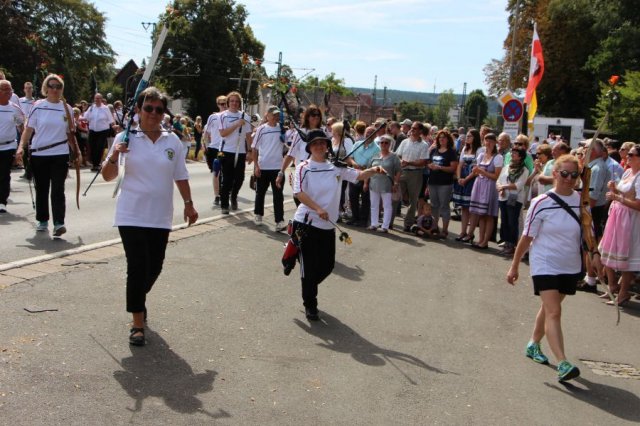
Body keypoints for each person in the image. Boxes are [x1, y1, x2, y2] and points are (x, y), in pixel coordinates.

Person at [101, 87, 198, 346]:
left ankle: (137, 300)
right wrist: (116, 155)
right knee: (137, 266)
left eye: (159, 109)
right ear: (138, 110)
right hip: (131, 214)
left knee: (154, 267)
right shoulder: (125, 137)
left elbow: (181, 175)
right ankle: (137, 324)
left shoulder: (172, 141)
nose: (153, 113)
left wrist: (189, 204)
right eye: (148, 108)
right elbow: (107, 176)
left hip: (160, 216)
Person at [507, 154, 593, 382]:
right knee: (554, 311)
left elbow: (587, 232)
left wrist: (593, 256)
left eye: (574, 174)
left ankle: (533, 344)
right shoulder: (541, 202)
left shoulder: (582, 201)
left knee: (548, 308)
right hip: (545, 262)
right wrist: (514, 266)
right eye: (564, 173)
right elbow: (527, 237)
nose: (569, 178)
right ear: (555, 174)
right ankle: (563, 363)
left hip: (570, 264)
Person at [292, 129, 387, 321]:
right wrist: (318, 208)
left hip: (328, 226)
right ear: (309, 148)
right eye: (315, 144)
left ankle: (307, 282)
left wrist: (374, 170)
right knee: (309, 268)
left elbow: (358, 175)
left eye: (322, 143)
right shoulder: (304, 167)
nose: (319, 146)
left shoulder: (336, 167)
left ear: (327, 146)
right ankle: (310, 304)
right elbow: (299, 193)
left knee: (327, 266)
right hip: (307, 223)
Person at [16, 74, 80, 237]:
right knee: (42, 188)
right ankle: (42, 220)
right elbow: (28, 130)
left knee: (58, 189)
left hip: (60, 153)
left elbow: (70, 133)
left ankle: (59, 223)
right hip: (40, 153)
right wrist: (21, 147)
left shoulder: (67, 108)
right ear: (46, 88)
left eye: (58, 87)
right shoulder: (38, 106)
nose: (55, 89)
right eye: (51, 86)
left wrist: (77, 151)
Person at [599, 144, 640, 306]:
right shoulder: (628, 172)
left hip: (630, 219)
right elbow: (623, 193)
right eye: (628, 154)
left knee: (626, 256)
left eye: (632, 155)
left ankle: (623, 293)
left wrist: (617, 197)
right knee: (606, 250)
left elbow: (638, 204)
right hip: (618, 215)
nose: (628, 157)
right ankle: (612, 286)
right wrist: (614, 188)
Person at [276, 105, 324, 204]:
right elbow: (291, 154)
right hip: (303, 174)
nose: (316, 117)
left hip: (318, 174)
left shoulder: (322, 133)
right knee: (300, 200)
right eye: (313, 115)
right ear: (307, 117)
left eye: (318, 115)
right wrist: (281, 172)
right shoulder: (300, 133)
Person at [251, 106, 286, 231]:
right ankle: (258, 214)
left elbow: (287, 145)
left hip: (277, 167)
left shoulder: (281, 129)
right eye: (274, 114)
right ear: (267, 115)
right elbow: (254, 148)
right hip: (263, 167)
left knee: (278, 195)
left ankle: (279, 221)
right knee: (260, 192)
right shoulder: (261, 129)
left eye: (277, 115)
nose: (276, 117)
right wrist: (256, 166)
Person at [218, 91, 253, 214]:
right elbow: (223, 133)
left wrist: (250, 151)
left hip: (240, 152)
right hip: (226, 151)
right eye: (232, 101)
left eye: (237, 101)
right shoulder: (222, 116)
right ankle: (224, 205)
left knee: (239, 178)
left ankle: (234, 195)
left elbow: (248, 135)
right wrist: (237, 124)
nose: (234, 103)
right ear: (228, 102)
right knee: (226, 179)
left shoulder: (245, 116)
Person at [467, 133, 503, 249]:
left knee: (489, 215)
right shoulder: (481, 155)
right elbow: (476, 171)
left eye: (490, 141)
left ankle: (485, 241)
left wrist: (482, 172)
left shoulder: (498, 157)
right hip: (479, 185)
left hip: (490, 187)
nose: (488, 143)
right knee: (481, 215)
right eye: (486, 141)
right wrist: (474, 171)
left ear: (495, 143)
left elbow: (496, 176)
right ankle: (480, 240)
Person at [395, 121, 430, 231]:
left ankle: (408, 223)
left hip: (416, 173)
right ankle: (389, 222)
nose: (412, 130)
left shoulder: (424, 145)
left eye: (415, 128)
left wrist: (409, 163)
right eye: (412, 128)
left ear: (420, 131)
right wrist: (401, 161)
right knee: (396, 196)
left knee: (413, 200)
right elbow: (397, 155)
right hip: (402, 171)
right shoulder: (405, 142)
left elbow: (423, 162)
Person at [496, 148, 530, 256]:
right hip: (503, 197)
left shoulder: (524, 170)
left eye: (515, 153)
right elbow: (499, 180)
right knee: (504, 221)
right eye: (512, 153)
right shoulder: (506, 167)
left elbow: (518, 185)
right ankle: (506, 243)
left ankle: (512, 245)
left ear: (520, 157)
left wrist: (503, 187)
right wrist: (500, 188)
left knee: (512, 222)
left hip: (515, 198)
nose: (512, 155)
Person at [347, 122, 380, 227]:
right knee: (353, 196)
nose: (368, 134)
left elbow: (374, 163)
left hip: (367, 176)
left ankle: (363, 220)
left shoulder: (377, 148)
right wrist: (354, 164)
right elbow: (350, 157)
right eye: (367, 132)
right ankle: (354, 217)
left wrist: (365, 167)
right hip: (354, 174)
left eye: (371, 132)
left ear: (375, 135)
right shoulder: (357, 144)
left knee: (365, 198)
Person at [427, 129, 459, 238]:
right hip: (432, 181)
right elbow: (428, 162)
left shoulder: (451, 152)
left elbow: (453, 168)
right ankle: (435, 227)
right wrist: (430, 166)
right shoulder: (433, 150)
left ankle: (444, 230)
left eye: (444, 137)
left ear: (448, 139)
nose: (441, 139)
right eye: (440, 138)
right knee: (434, 206)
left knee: (444, 206)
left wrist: (440, 167)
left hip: (445, 183)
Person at [365, 134, 400, 232]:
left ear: (390, 144)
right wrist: (365, 183)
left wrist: (396, 183)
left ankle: (385, 226)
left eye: (386, 143)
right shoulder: (375, 156)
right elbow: (368, 170)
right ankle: (374, 224)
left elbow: (398, 171)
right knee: (374, 205)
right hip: (374, 184)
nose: (384, 144)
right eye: (382, 142)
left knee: (387, 206)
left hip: (387, 185)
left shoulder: (394, 157)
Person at [0, 80, 25, 213]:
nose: (8, 92)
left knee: (4, 174)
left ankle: (2, 201)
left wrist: (22, 145)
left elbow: (20, 125)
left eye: (10, 89)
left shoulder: (14, 108)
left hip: (8, 146)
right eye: (5, 89)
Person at [453, 129, 481, 242]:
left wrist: (466, 179)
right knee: (464, 207)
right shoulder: (465, 148)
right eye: (467, 136)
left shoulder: (479, 150)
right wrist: (459, 178)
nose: (467, 138)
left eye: (469, 136)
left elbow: (477, 169)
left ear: (475, 138)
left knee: (472, 208)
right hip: (463, 179)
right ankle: (463, 231)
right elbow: (460, 165)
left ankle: (470, 233)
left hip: (472, 180)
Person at [203, 95, 228, 206]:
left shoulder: (230, 116)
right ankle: (217, 195)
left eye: (225, 103)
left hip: (225, 148)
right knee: (216, 172)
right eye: (221, 104)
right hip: (214, 148)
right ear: (218, 105)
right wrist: (204, 146)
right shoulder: (212, 117)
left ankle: (224, 193)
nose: (224, 106)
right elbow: (206, 133)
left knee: (223, 172)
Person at [85, 93, 116, 171]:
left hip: (103, 131)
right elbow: (86, 117)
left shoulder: (105, 108)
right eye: (96, 98)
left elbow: (111, 119)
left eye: (99, 98)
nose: (97, 100)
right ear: (94, 99)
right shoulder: (91, 108)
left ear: (101, 99)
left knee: (99, 147)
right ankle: (94, 164)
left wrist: (115, 127)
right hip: (92, 130)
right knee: (92, 147)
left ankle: (97, 163)